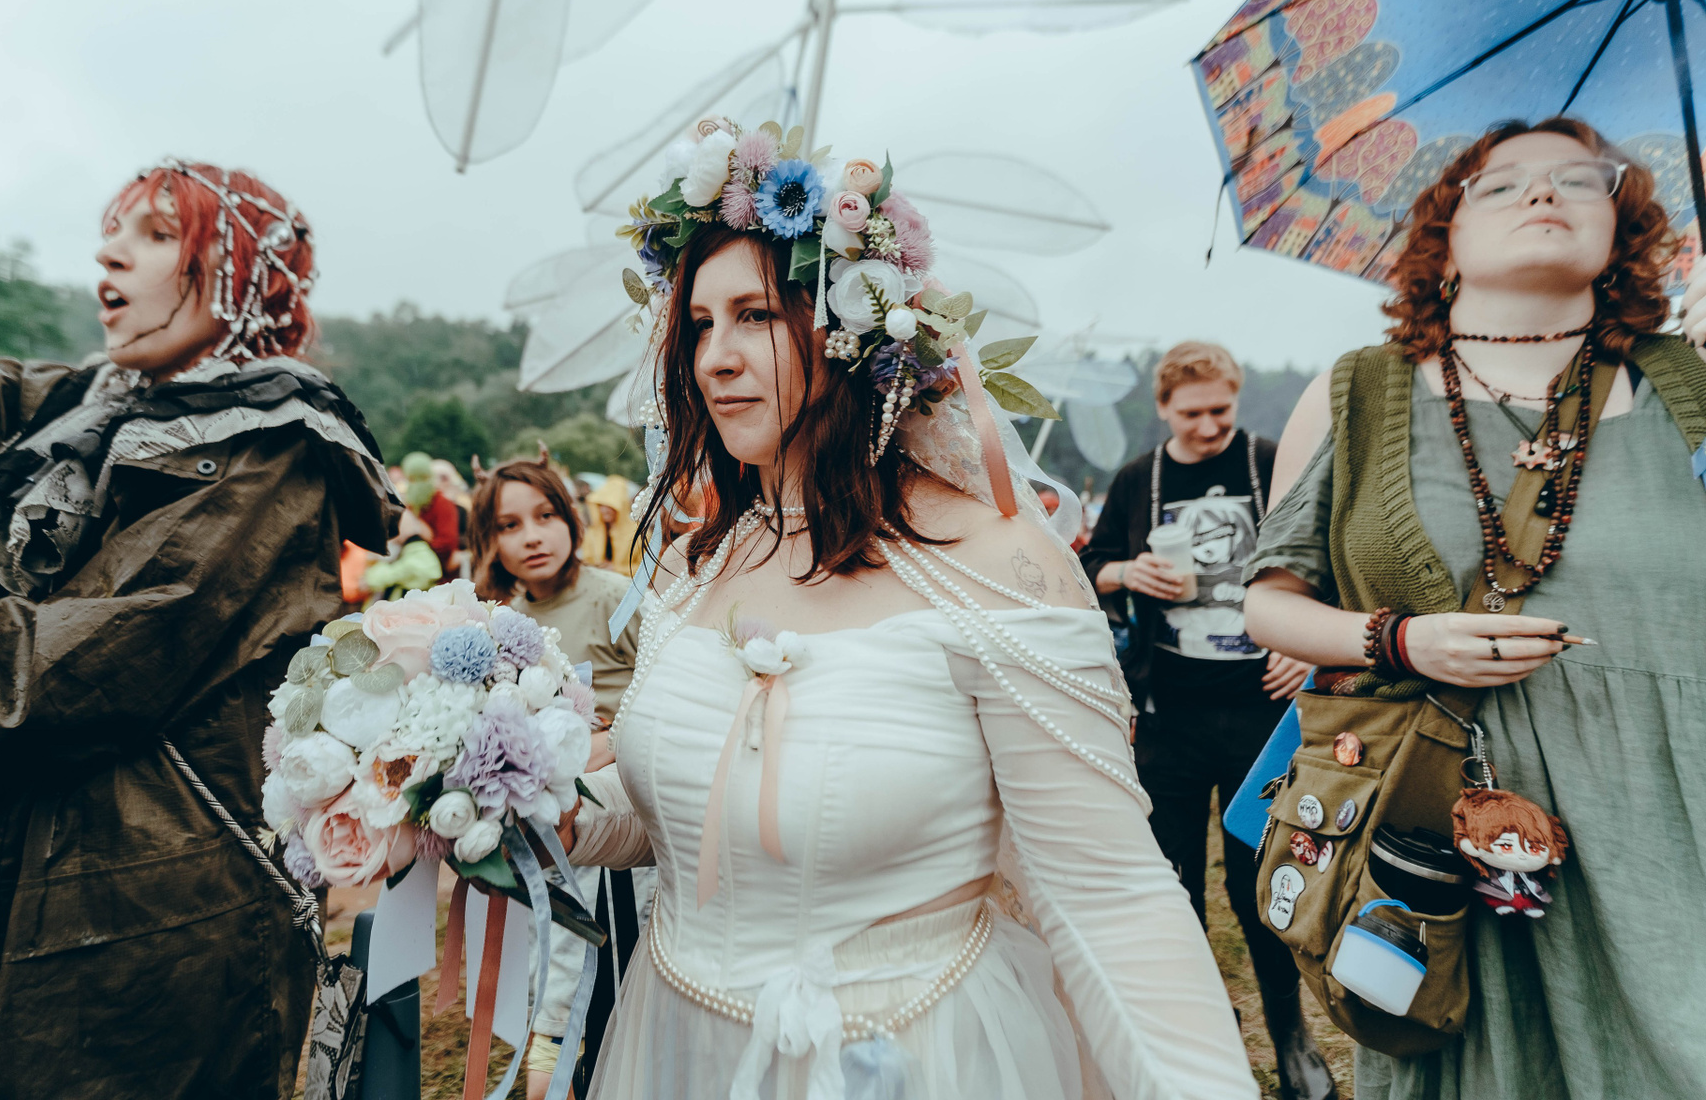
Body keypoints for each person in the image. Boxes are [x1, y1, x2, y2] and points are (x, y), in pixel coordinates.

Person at [560, 118, 1257, 1098]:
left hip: (914, 1055)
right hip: (678, 1050)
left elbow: (1107, 894)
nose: (715, 356)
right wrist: (549, 811)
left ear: (854, 330)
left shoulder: (994, 564)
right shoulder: (691, 562)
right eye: (700, 324)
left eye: (755, 315)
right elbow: (676, 806)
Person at [0, 26, 396, 1099]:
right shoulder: (68, 409)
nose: (109, 257)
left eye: (155, 234)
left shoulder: (275, 459)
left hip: (115, 957)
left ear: (241, 273)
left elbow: (41, 677)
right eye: (108, 234)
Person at [1244, 116, 1706, 1100]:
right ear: (1442, 239)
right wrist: (1404, 639)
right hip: (1445, 824)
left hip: (1673, 816)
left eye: (1580, 179)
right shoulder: (1359, 393)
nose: (1543, 192)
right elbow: (1269, 603)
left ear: (1622, 227)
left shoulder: (1688, 386)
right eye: (1501, 184)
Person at [1078, 342, 1331, 1100]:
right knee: (1173, 881)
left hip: (1262, 716)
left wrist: (1304, 643)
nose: (1210, 425)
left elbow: (1326, 558)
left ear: (1236, 398)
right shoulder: (1139, 480)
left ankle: (1290, 1036)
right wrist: (1126, 571)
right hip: (1169, 717)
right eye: (1192, 414)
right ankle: (1199, 1030)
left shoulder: (1270, 462)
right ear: (1163, 409)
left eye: (1221, 409)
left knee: (1262, 879)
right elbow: (1087, 569)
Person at [469, 453, 647, 1100]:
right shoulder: (500, 621)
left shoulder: (616, 598)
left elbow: (669, 693)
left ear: (572, 519)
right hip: (546, 831)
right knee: (556, 962)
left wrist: (607, 741)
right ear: (489, 541)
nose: (532, 536)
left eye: (546, 516)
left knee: (617, 964)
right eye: (509, 525)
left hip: (621, 830)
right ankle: (553, 1054)